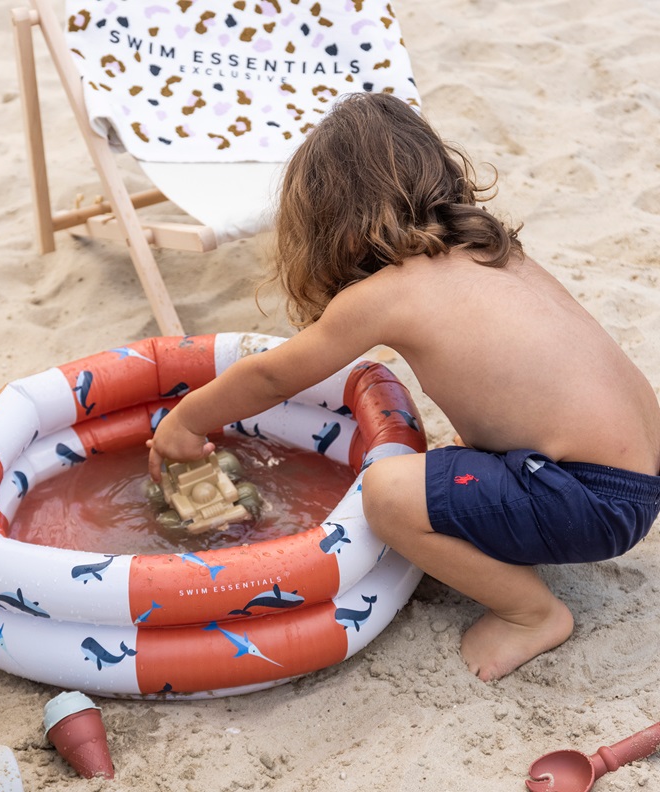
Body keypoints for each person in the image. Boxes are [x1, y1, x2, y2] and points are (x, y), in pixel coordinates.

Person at [147, 92, 660, 682]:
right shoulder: (496, 252)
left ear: (327, 218)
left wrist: (184, 422)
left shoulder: (388, 292)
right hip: (634, 470)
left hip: (591, 502)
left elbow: (271, 373)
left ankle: (531, 614)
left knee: (389, 494)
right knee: (445, 469)